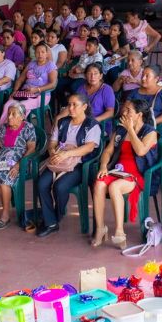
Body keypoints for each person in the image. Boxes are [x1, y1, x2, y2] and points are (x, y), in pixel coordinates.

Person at [91, 99, 159, 249]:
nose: (124, 112)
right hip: (119, 171)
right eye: (125, 109)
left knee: (114, 187)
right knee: (99, 183)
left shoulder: (150, 132)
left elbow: (140, 151)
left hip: (138, 174)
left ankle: (120, 232)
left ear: (139, 115)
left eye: (129, 110)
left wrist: (131, 130)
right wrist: (103, 166)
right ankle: (100, 228)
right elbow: (108, 151)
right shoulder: (120, 130)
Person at [35, 93, 102, 238]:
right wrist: (53, 152)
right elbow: (52, 142)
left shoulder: (92, 125)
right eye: (69, 104)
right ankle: (51, 223)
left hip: (79, 165)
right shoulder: (62, 122)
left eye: (74, 105)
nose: (70, 108)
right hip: (59, 162)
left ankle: (56, 215)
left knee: (60, 187)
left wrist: (66, 154)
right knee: (41, 184)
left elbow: (89, 147)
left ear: (84, 107)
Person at [0, 103, 38, 230]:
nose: (9, 117)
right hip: (1, 162)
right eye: (8, 114)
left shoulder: (28, 127)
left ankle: (5, 215)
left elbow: (31, 148)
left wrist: (18, 165)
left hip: (19, 162)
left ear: (22, 116)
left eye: (13, 114)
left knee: (4, 180)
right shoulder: (3, 127)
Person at [0, 43, 58, 126]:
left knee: (20, 108)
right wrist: (15, 91)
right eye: (37, 52)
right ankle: (3, 129)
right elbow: (20, 79)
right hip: (24, 93)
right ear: (34, 53)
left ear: (47, 54)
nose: (40, 54)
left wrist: (36, 90)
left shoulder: (50, 65)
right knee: (7, 106)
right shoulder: (31, 64)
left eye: (42, 52)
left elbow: (53, 84)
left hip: (41, 95)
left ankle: (15, 129)